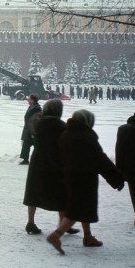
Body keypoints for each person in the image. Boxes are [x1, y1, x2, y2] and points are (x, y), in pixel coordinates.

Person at [46, 110, 125, 254]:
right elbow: (100, 159)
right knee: (77, 209)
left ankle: (88, 236)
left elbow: (56, 156)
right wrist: (116, 178)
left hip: (70, 176)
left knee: (83, 207)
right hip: (84, 178)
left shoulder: (65, 134)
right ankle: (56, 235)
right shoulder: (86, 137)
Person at [23, 99, 78, 236]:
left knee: (33, 191)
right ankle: (62, 223)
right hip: (55, 160)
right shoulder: (60, 125)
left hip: (37, 158)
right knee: (61, 192)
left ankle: (30, 222)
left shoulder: (36, 122)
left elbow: (30, 139)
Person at [19, 94, 41, 165]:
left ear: (33, 100)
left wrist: (33, 131)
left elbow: (36, 120)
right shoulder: (31, 107)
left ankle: (38, 159)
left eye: (29, 99)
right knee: (26, 144)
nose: (28, 100)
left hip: (33, 130)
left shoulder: (37, 108)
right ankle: (26, 159)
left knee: (36, 145)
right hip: (28, 129)